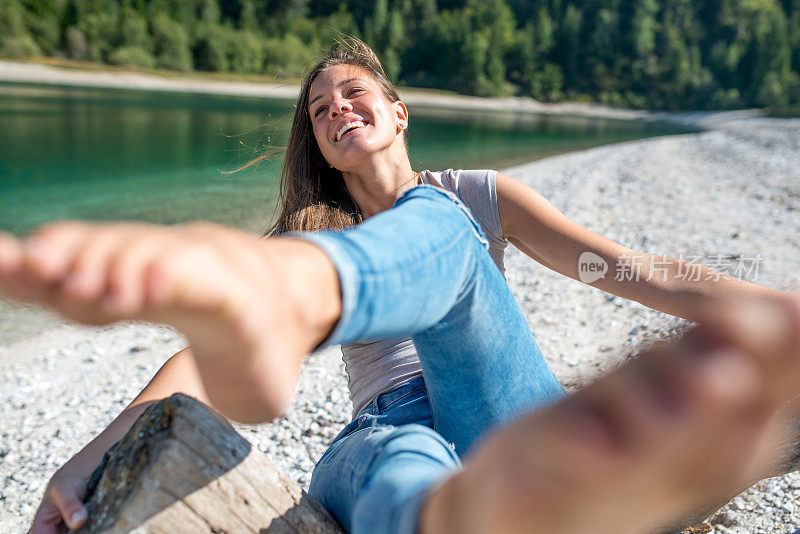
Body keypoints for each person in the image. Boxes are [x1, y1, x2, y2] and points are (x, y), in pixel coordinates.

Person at [1, 37, 795, 534]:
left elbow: (632, 271)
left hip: (504, 409)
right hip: (384, 430)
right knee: (397, 463)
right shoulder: (307, 233)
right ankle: (476, 515)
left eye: (352, 94)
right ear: (319, 143)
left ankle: (312, 313)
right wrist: (85, 460)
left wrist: (779, 316)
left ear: (397, 111)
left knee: (440, 225)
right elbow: (197, 366)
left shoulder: (477, 198)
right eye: (318, 110)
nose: (337, 109)